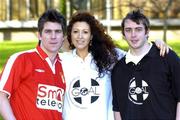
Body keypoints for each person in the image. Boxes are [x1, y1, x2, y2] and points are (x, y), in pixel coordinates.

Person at [60, 11, 169, 120]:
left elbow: (138, 54)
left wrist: (156, 44)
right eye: (75, 31)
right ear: (70, 35)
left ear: (91, 36)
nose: (80, 36)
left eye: (85, 32)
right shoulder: (62, 60)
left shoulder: (109, 57)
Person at [111, 9, 180, 120]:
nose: (133, 35)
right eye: (128, 30)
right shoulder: (118, 69)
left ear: (147, 32)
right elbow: (117, 108)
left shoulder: (167, 57)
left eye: (138, 29)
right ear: (123, 34)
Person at [0, 9, 66, 120]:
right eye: (48, 31)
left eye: (58, 31)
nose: (53, 36)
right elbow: (1, 95)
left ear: (63, 36)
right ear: (39, 35)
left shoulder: (65, 65)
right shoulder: (21, 59)